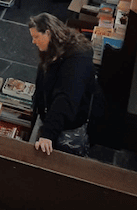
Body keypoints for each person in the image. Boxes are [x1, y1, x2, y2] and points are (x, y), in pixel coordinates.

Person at [28, 13, 99, 156]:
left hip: (68, 126)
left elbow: (66, 98)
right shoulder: (51, 49)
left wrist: (48, 134)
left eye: (36, 37)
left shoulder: (77, 59)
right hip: (50, 117)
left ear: (48, 33)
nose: (33, 41)